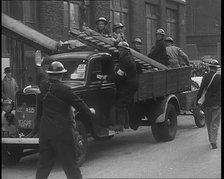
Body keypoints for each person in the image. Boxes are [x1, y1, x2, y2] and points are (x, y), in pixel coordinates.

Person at [35, 58, 95, 179]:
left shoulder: (44, 86)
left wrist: (38, 65)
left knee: (43, 166)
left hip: (46, 133)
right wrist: (90, 112)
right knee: (71, 166)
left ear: (50, 74)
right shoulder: (65, 90)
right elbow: (80, 104)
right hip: (62, 134)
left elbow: (40, 76)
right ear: (62, 75)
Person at [97, 41, 138, 131]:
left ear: (125, 50)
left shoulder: (126, 59)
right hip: (129, 83)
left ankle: (120, 126)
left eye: (121, 50)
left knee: (120, 104)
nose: (119, 51)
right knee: (130, 104)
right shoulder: (127, 57)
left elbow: (119, 75)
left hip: (129, 85)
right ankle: (132, 123)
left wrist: (106, 78)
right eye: (119, 50)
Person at [196, 59, 221, 149]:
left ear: (210, 68)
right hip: (217, 104)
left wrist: (197, 101)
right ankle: (213, 142)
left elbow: (201, 90)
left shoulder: (205, 77)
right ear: (216, 67)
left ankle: (211, 139)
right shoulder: (219, 77)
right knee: (215, 123)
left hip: (206, 104)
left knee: (209, 122)